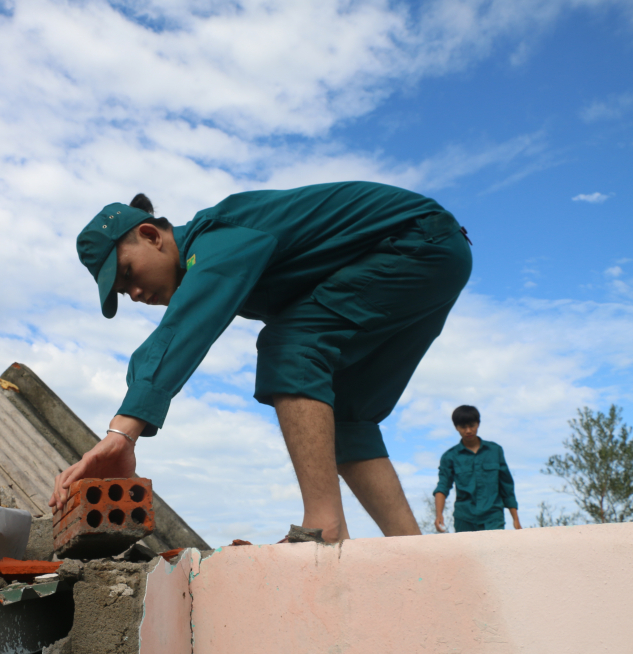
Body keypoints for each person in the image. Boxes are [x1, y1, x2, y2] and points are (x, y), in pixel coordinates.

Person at [50, 181, 473, 542]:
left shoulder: (216, 235)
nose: (135, 294)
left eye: (127, 274)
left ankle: (323, 529)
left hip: (417, 243)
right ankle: (415, 551)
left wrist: (123, 433)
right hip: (436, 254)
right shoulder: (213, 253)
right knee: (345, 416)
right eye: (123, 293)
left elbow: (189, 320)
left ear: (151, 235)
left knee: (291, 345)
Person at [433, 405, 521, 532]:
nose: (468, 430)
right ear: (456, 427)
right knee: (467, 552)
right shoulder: (449, 457)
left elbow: (506, 486)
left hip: (493, 518)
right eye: (463, 427)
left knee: (494, 551)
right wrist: (439, 514)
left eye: (472, 425)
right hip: (465, 519)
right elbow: (443, 486)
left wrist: (516, 519)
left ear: (478, 424)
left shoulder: (495, 451)